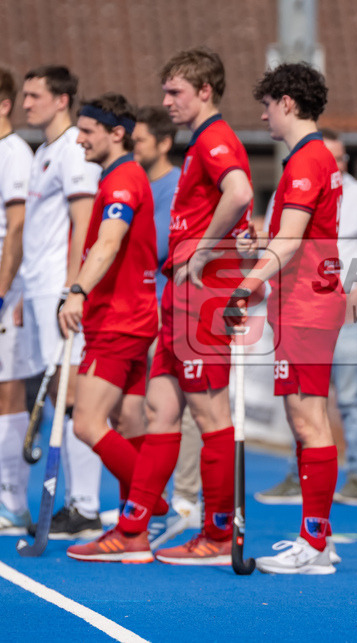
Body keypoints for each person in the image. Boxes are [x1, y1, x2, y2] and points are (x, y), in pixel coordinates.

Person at [68, 47, 253, 564]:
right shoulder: (199, 143)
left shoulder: (215, 138)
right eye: (166, 90)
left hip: (202, 294)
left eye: (175, 92)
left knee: (211, 415)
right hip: (181, 294)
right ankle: (134, 529)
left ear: (205, 92)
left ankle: (217, 534)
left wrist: (206, 246)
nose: (165, 101)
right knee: (161, 410)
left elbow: (238, 192)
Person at [229, 62, 345, 574]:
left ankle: (315, 542)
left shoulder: (304, 161)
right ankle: (319, 536)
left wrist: (245, 285)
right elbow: (293, 235)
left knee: (307, 421)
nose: (263, 114)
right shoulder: (313, 158)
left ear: (288, 104)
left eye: (269, 104)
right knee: (308, 420)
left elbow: (293, 240)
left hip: (306, 304)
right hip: (304, 300)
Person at [255, 129, 357, 507]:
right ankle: (298, 473)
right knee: (299, 395)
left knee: (348, 393)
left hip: (345, 302)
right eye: (331, 157)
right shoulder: (292, 182)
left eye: (341, 158)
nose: (336, 164)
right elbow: (275, 241)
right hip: (299, 305)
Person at [57, 94, 159, 562]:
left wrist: (76, 290)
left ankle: (147, 504)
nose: (79, 139)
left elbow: (109, 241)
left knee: (86, 423)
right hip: (131, 317)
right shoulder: (120, 177)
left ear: (116, 133)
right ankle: (133, 530)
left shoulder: (122, 180)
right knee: (128, 422)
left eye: (88, 131)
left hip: (118, 320)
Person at [20, 65, 101, 539]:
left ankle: (86, 505)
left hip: (59, 290)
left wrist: (74, 289)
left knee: (71, 396)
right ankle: (76, 501)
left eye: (35, 96)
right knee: (58, 396)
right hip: (38, 289)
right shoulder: (44, 152)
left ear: (62, 100)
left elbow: (83, 220)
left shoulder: (73, 148)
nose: (27, 103)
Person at [132, 105, 202, 546]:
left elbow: (161, 246)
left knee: (186, 408)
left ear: (161, 143)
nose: (131, 147)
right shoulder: (134, 184)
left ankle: (186, 497)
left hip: (174, 310)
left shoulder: (177, 187)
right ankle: (150, 496)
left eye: (138, 140)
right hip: (141, 311)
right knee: (148, 409)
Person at [0, 67, 34, 536]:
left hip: (10, 289)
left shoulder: (14, 154)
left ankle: (14, 500)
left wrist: (2, 289)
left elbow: (18, 227)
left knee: (7, 387)